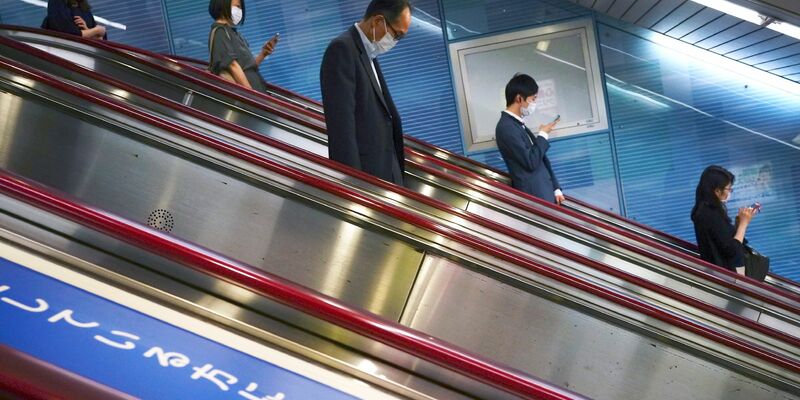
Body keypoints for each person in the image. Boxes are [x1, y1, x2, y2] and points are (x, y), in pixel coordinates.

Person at [319, 0, 412, 185]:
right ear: (378, 21)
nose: (395, 42)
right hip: (367, 178)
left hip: (386, 172)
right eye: (397, 35)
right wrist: (354, 185)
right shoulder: (342, 49)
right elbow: (342, 129)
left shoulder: (368, 52)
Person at [495, 74, 564, 204]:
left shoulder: (516, 124)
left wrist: (556, 188)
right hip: (535, 197)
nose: (534, 104)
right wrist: (543, 135)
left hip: (543, 192)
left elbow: (541, 160)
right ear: (519, 98)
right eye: (533, 99)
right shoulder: (506, 128)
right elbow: (530, 162)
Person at [691, 165, 757, 275]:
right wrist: (743, 224)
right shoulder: (711, 214)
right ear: (717, 191)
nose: (729, 192)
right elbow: (732, 250)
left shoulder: (704, 210)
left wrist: (737, 225)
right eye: (728, 189)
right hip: (728, 273)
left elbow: (723, 239)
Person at [208, 0, 279, 92]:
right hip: (247, 100)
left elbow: (248, 68)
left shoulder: (234, 33)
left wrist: (263, 54)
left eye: (240, 7)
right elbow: (233, 66)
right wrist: (252, 96)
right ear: (222, 4)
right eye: (237, 6)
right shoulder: (220, 32)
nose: (239, 11)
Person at [42, 0, 106, 39]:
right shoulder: (58, 3)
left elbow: (98, 40)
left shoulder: (84, 10)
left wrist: (88, 30)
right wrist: (96, 30)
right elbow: (68, 34)